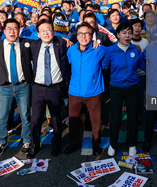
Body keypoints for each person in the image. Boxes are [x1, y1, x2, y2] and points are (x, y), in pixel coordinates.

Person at [0, 19, 33, 156]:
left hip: (23, 85)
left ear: (19, 30)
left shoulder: (26, 43)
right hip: (5, 87)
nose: (12, 31)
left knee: (25, 115)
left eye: (15, 28)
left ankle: (27, 140)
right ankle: (1, 141)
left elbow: (45, 40)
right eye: (9, 29)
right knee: (2, 117)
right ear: (4, 30)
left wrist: (65, 40)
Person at [27, 19, 69, 158]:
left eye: (48, 29)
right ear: (38, 34)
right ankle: (35, 144)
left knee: (56, 118)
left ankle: (56, 142)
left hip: (55, 87)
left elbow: (75, 41)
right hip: (38, 88)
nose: (46, 33)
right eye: (42, 30)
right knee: (36, 119)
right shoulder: (33, 46)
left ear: (53, 31)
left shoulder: (61, 43)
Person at [103, 22, 146, 157]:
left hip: (133, 87)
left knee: (132, 117)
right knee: (115, 118)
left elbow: (143, 66)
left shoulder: (135, 49)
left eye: (129, 32)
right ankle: (113, 144)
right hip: (116, 88)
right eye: (124, 33)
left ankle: (132, 144)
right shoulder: (110, 51)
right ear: (117, 35)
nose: (127, 35)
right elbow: (104, 67)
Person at [65, 22, 106, 156]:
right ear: (76, 36)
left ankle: (96, 144)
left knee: (96, 121)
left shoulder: (99, 49)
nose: (83, 36)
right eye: (80, 33)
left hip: (93, 92)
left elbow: (116, 49)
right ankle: (74, 143)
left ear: (92, 36)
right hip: (74, 91)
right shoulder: (70, 50)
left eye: (87, 33)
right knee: (73, 120)